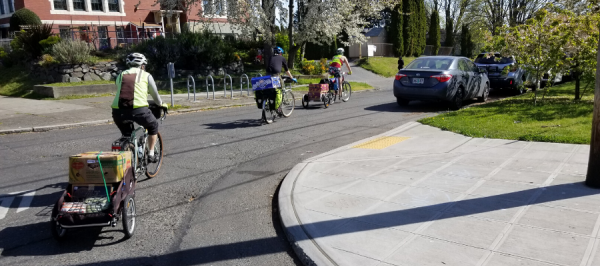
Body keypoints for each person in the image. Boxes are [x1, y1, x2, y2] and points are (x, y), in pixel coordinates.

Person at [111, 53, 167, 162]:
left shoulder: (120, 75)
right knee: (153, 126)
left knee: (127, 134)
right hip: (138, 110)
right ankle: (151, 154)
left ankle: (129, 151)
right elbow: (155, 95)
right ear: (142, 65)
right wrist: (161, 104)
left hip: (118, 112)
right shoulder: (146, 75)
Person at [266, 46, 297, 114]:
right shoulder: (282, 58)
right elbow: (287, 70)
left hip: (267, 77)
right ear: (280, 53)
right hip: (276, 76)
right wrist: (292, 78)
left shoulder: (271, 57)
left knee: (270, 90)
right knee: (281, 90)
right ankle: (279, 108)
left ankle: (267, 103)